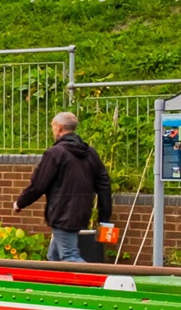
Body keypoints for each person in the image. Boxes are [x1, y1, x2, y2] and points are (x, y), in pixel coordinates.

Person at [16, 111, 114, 262]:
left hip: (62, 213)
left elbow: (39, 184)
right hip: (81, 211)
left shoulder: (55, 153)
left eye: (53, 127)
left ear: (59, 128)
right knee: (53, 257)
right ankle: (52, 284)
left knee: (70, 257)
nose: (52, 131)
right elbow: (104, 184)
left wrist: (20, 203)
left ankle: (97, 282)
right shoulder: (90, 153)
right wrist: (104, 216)